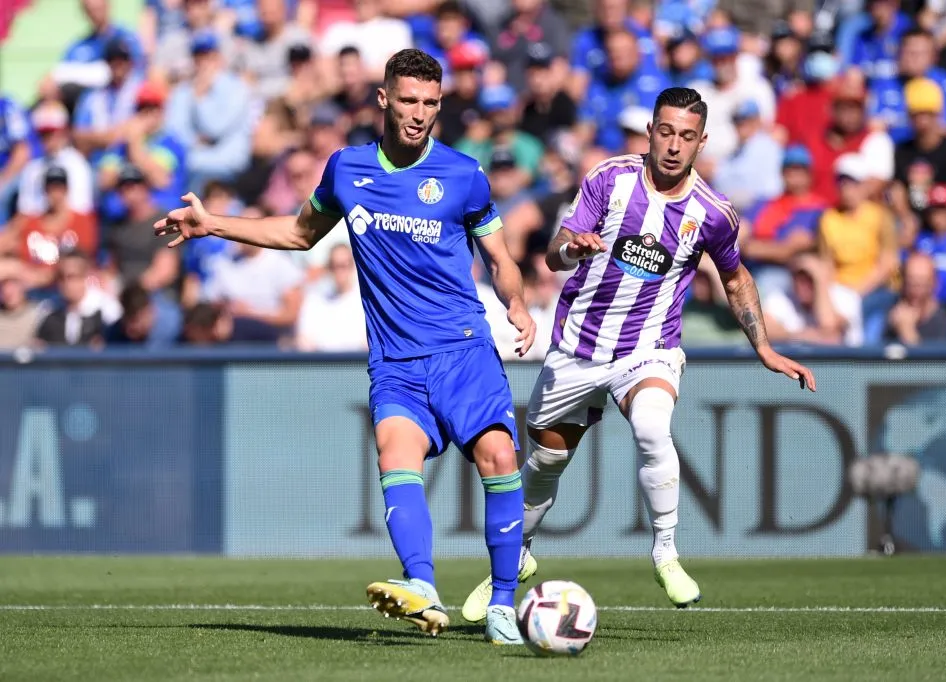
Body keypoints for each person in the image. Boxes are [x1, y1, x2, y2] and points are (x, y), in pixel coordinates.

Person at [154, 49, 536, 644]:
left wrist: (515, 302)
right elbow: (299, 233)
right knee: (395, 458)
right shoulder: (346, 170)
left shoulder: (463, 175)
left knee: (500, 460)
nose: (419, 114)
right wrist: (215, 225)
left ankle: (504, 604)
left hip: (463, 349)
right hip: (395, 361)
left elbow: (500, 258)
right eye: (409, 100)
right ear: (383, 99)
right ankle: (424, 588)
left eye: (431, 103)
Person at [460, 87, 816, 622]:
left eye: (687, 136)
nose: (674, 146)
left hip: (649, 349)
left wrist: (762, 346)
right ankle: (516, 559)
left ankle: (666, 552)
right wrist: (570, 247)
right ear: (651, 131)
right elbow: (556, 252)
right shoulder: (609, 178)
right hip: (577, 348)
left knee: (653, 426)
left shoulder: (713, 213)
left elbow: (736, 277)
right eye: (666, 132)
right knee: (545, 461)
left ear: (702, 143)